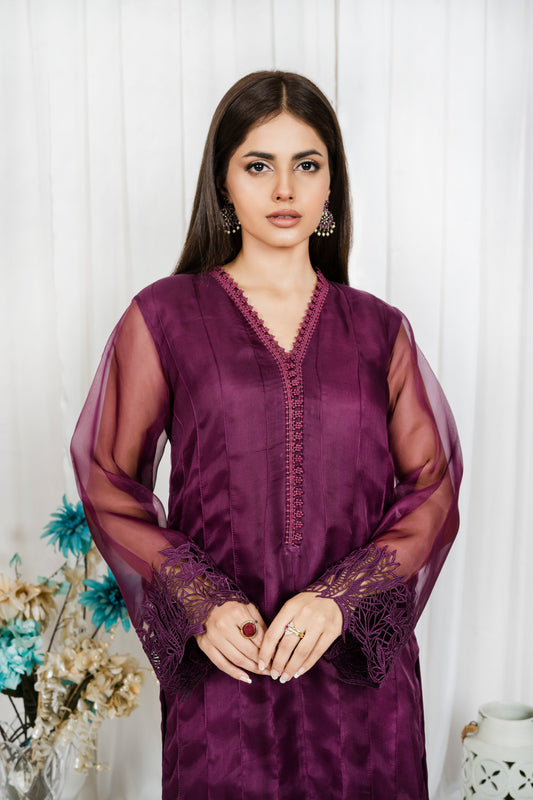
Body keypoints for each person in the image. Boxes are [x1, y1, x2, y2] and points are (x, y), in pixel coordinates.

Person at [71, 70, 462, 799]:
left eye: (306, 165)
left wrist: (340, 600)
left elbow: (431, 492)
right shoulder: (164, 317)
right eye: (258, 165)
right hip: (229, 665)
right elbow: (107, 481)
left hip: (357, 682)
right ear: (223, 184)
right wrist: (199, 600)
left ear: (331, 184)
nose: (284, 189)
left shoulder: (379, 330)